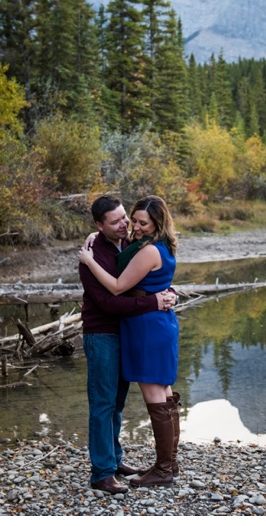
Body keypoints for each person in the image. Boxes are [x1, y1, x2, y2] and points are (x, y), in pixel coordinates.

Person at [78, 195, 180, 488]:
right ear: (99, 225)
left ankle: (118, 460)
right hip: (103, 333)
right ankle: (102, 473)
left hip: (131, 331)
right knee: (103, 404)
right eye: (119, 221)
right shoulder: (92, 255)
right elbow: (111, 301)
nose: (127, 225)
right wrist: (154, 301)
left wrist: (167, 292)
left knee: (117, 403)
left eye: (128, 218)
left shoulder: (129, 243)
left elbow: (149, 277)